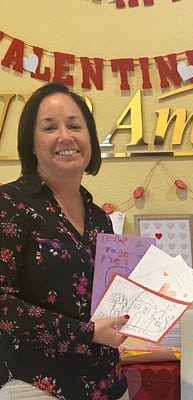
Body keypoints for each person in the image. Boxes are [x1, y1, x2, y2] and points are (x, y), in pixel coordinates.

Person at [0, 82, 130, 399]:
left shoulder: (99, 218)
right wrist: (86, 334)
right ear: (31, 144)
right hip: (38, 385)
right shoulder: (10, 204)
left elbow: (107, 298)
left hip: (109, 384)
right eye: (49, 127)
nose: (65, 136)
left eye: (74, 125)